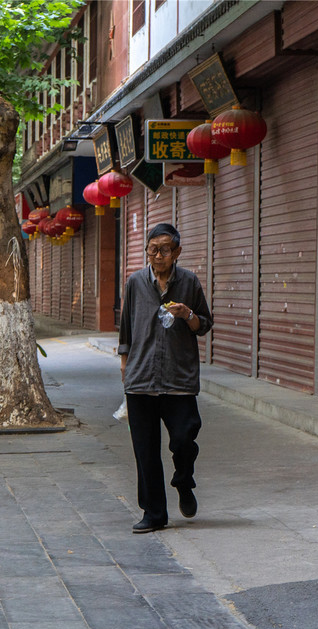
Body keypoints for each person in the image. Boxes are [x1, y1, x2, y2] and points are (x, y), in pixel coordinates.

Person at [118, 222, 213, 533]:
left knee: (184, 438)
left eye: (165, 249)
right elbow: (126, 329)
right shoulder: (135, 282)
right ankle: (154, 513)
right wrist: (124, 364)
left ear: (177, 252)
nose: (158, 255)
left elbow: (204, 324)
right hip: (141, 380)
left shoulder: (189, 282)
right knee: (145, 450)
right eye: (152, 249)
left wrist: (188, 315)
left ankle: (184, 481)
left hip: (179, 380)